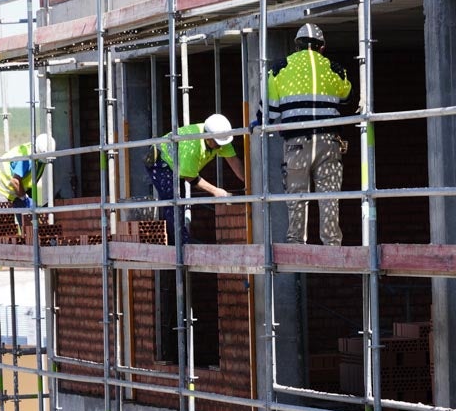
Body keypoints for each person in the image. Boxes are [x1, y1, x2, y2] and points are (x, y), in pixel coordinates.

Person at [263, 23, 352, 246]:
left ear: (296, 46)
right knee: (329, 198)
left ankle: (296, 246)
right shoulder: (336, 69)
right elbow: (346, 95)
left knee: (297, 199)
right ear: (322, 48)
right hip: (328, 143)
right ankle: (332, 246)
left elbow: (270, 112)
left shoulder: (278, 68)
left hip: (296, 144)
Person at [145, 113, 245, 243]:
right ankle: (180, 245)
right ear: (208, 138)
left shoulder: (219, 137)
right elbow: (190, 178)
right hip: (160, 162)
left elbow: (233, 161)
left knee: (178, 200)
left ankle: (180, 241)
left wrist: (248, 182)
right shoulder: (193, 145)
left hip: (176, 164)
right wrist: (216, 191)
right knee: (173, 201)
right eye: (218, 143)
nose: (221, 146)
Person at [0, 133, 57, 209]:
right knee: (3, 216)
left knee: (26, 215)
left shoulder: (41, 158)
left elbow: (30, 181)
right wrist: (25, 199)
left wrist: (30, 201)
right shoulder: (26, 158)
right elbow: (15, 181)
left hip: (15, 187)